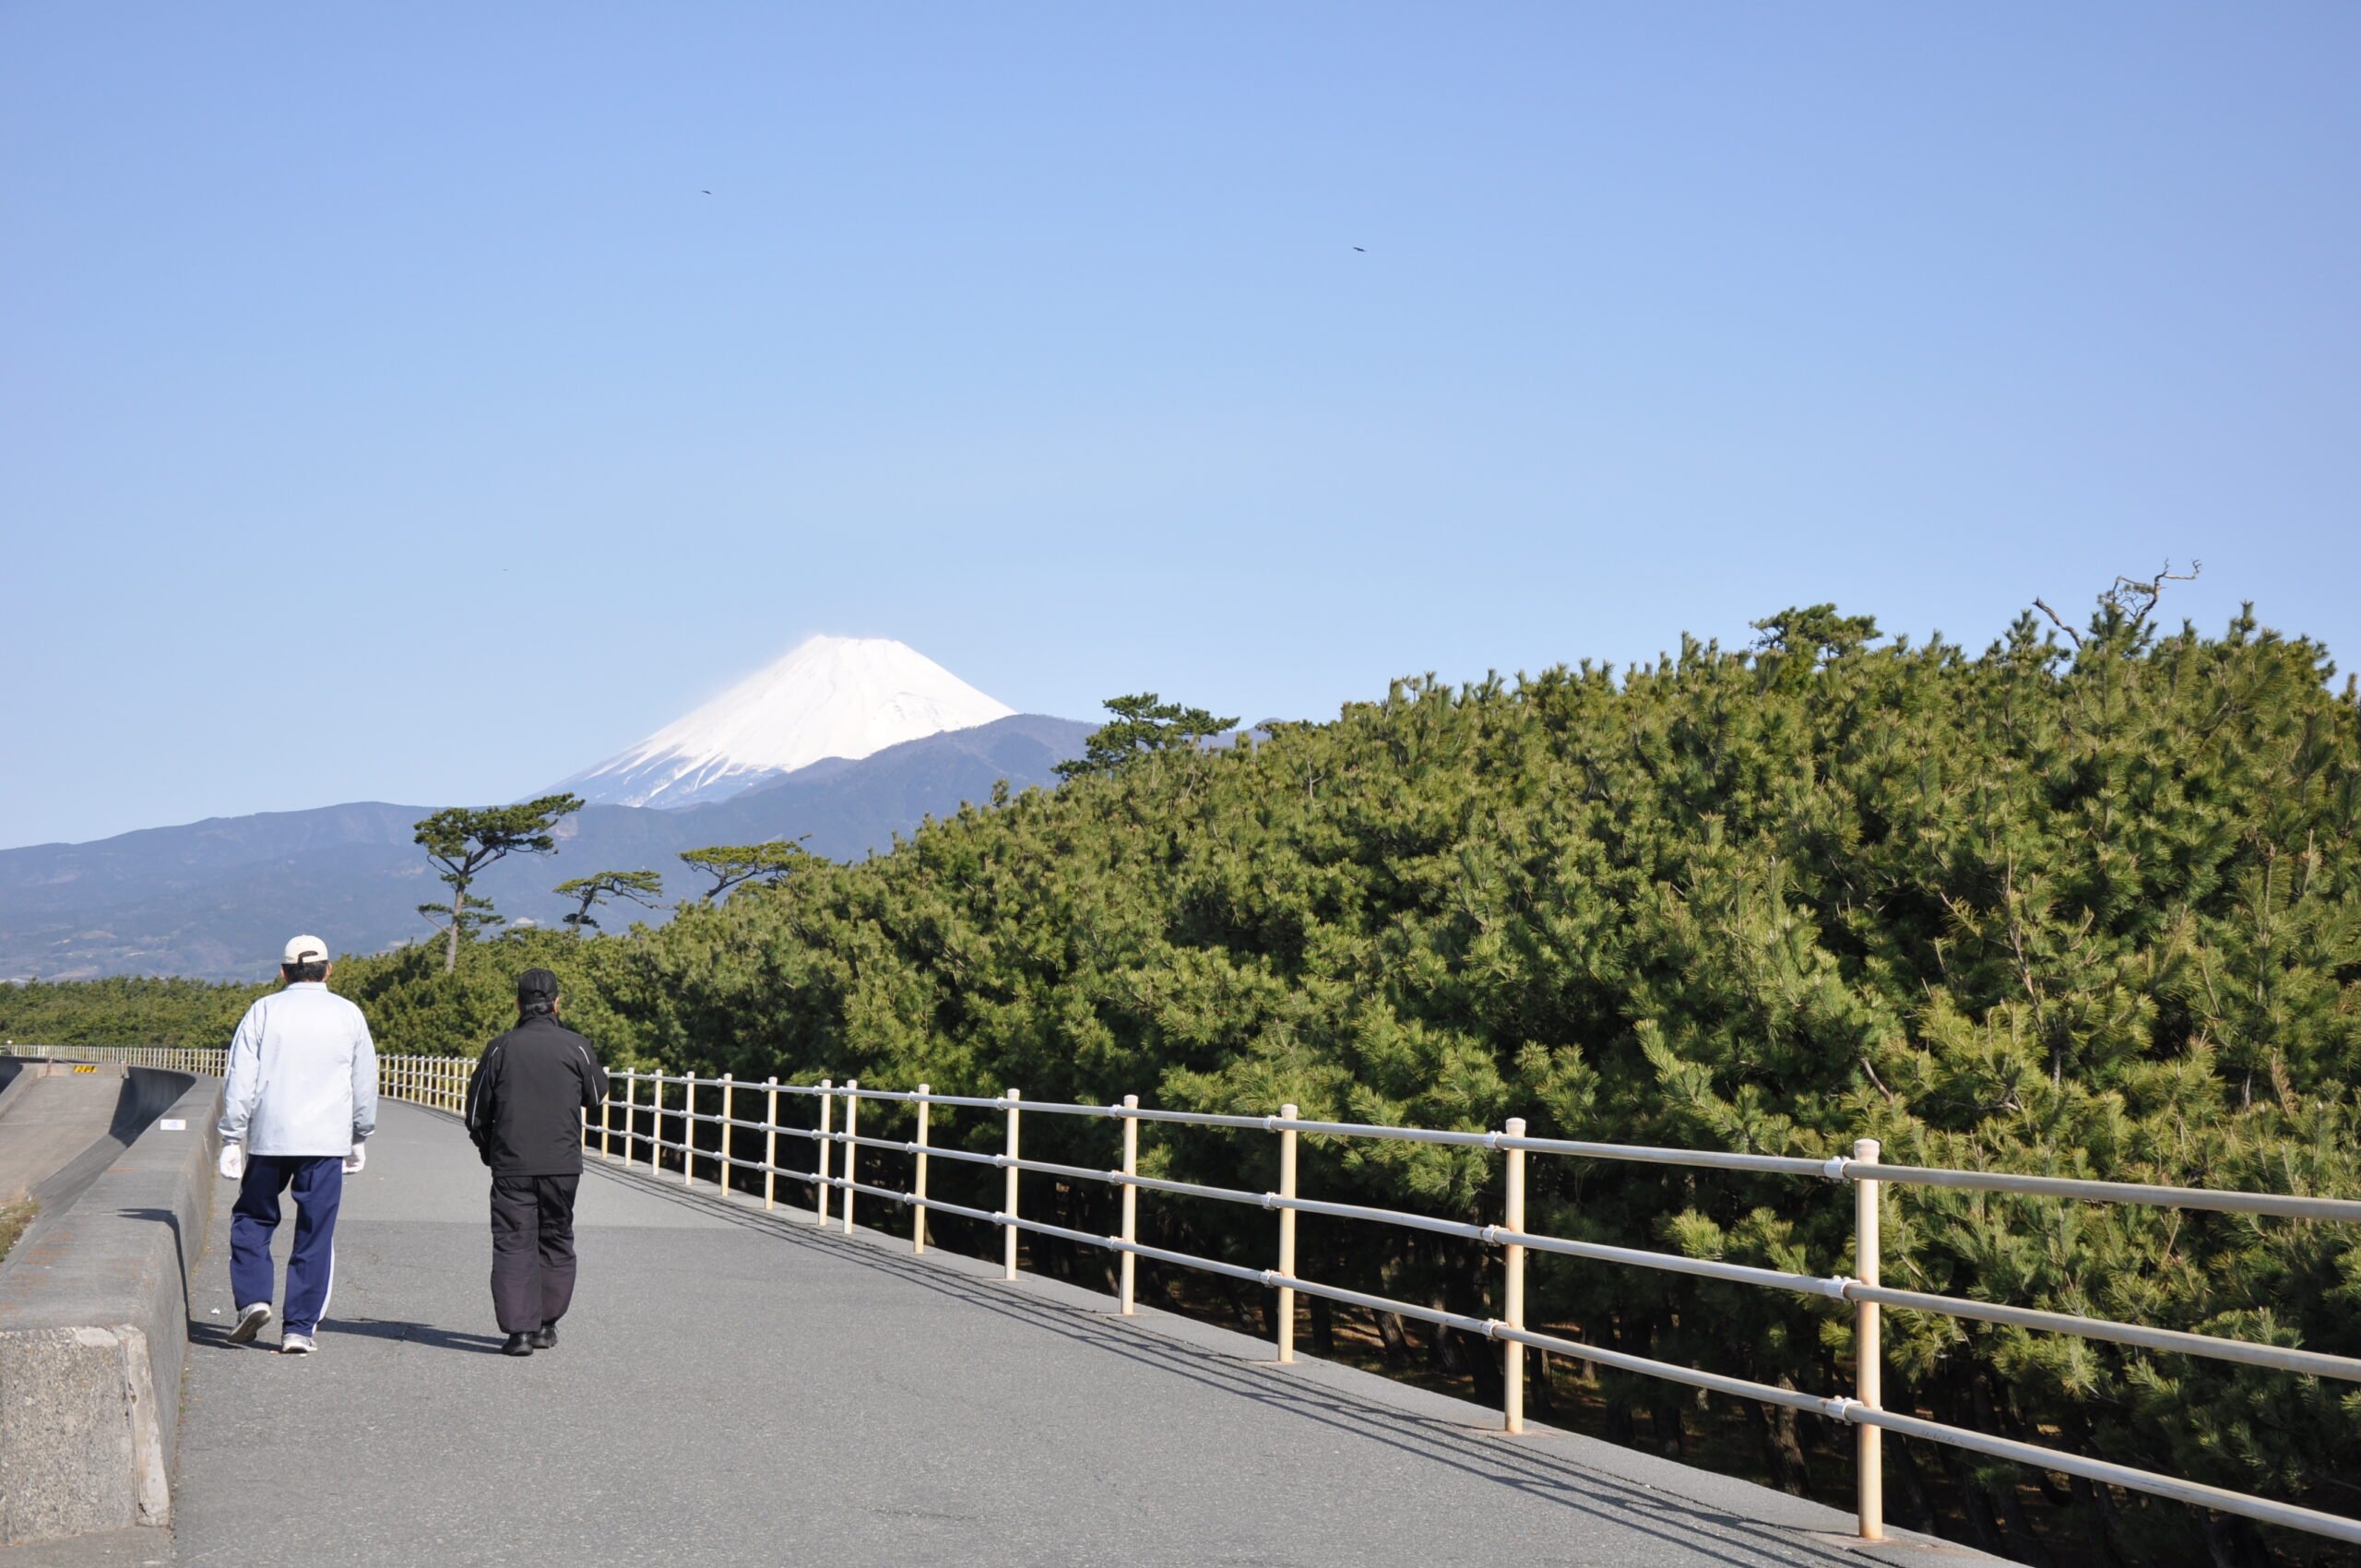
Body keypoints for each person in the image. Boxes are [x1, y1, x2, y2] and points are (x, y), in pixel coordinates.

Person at [217, 934, 378, 1356]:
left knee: (253, 1217)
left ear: (283, 971)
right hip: (326, 1141)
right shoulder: (348, 1014)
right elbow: (364, 1085)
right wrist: (360, 1136)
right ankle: (299, 1329)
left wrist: (232, 1136)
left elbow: (239, 1080)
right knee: (315, 1231)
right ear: (328, 969)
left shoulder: (263, 1011)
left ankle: (253, 1298)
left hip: (270, 1136)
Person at [464, 968, 608, 1356]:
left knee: (514, 1243)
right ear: (557, 1003)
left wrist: (489, 1150)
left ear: (518, 1004)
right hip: (562, 1164)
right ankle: (547, 1324)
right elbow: (596, 1095)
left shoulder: (500, 1047)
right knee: (556, 1239)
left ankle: (518, 1334)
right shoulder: (576, 1046)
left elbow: (476, 1111)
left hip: (512, 1164)